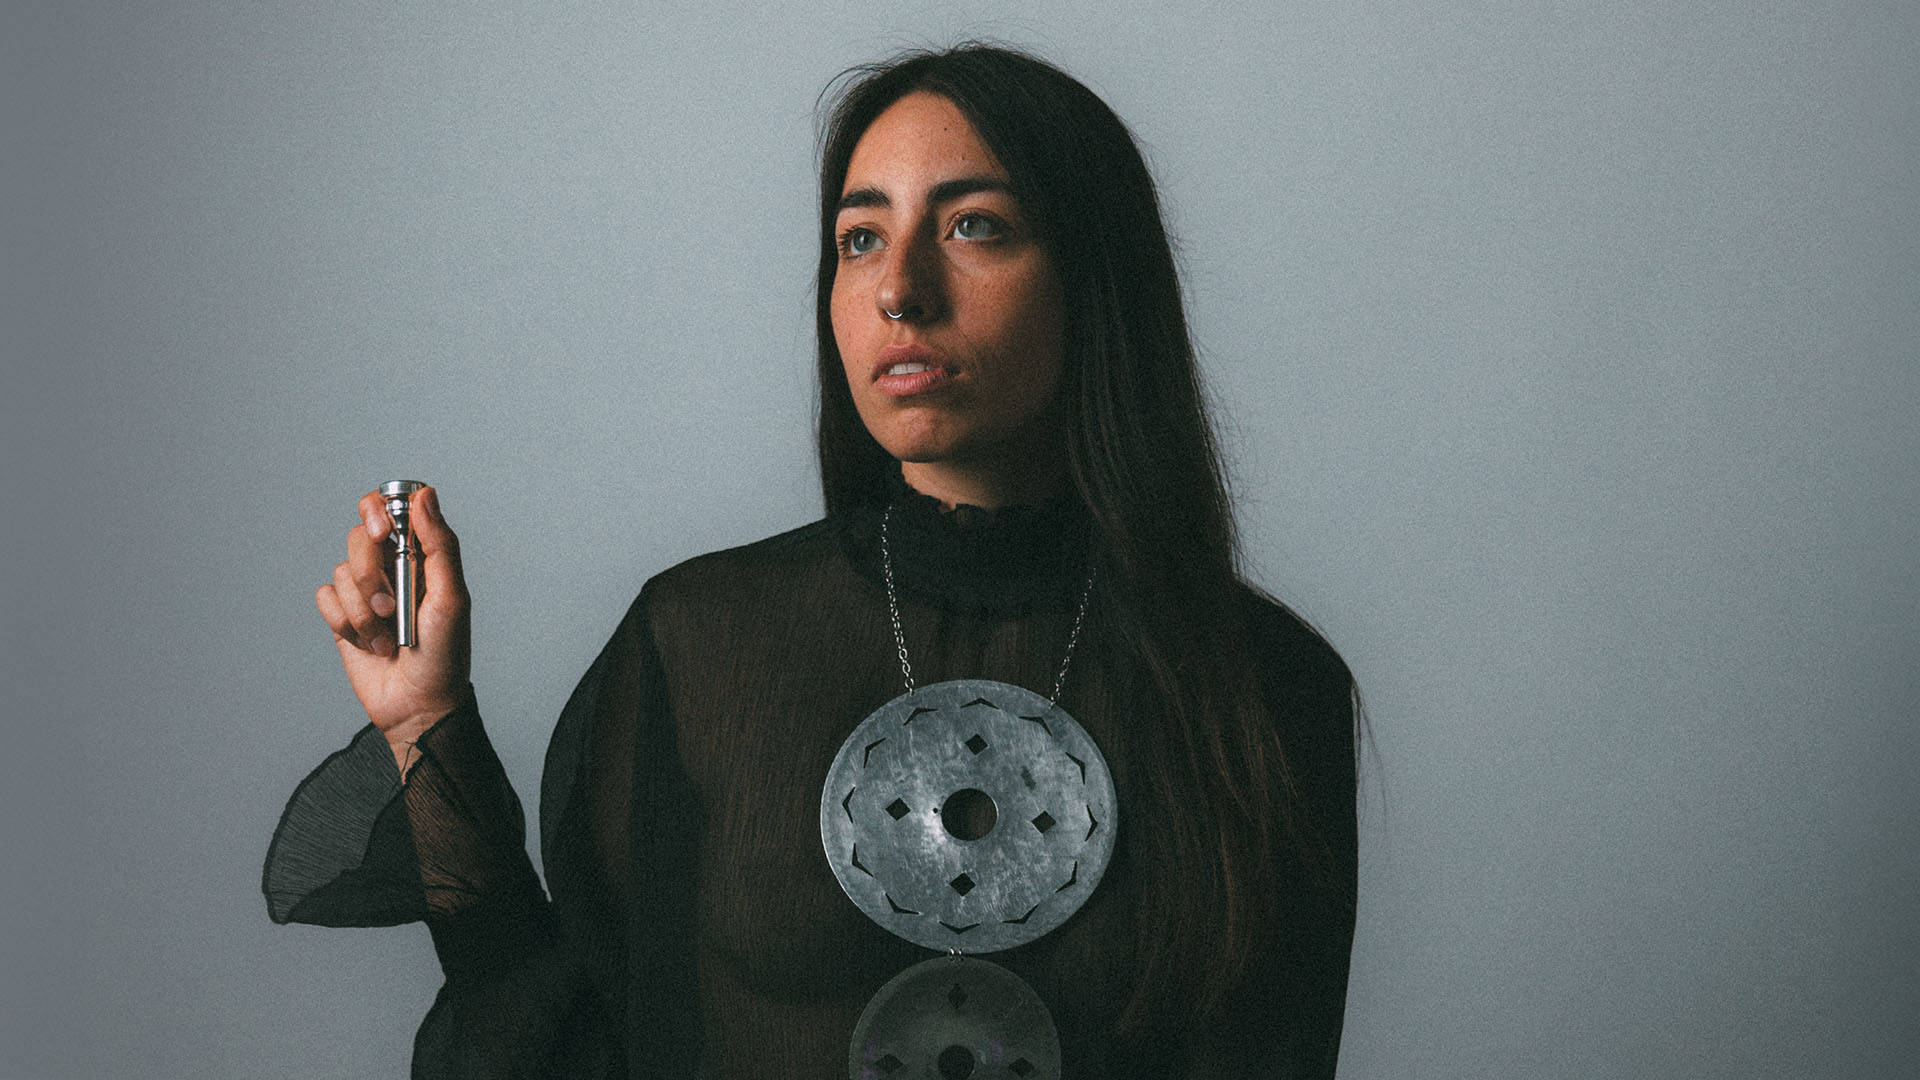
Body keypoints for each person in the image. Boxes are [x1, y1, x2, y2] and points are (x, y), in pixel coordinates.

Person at [266, 44, 1357, 1079]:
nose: (900, 291)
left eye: (975, 225)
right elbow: (556, 1039)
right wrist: (425, 726)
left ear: (1094, 276)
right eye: (860, 239)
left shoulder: (1263, 684)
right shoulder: (701, 645)